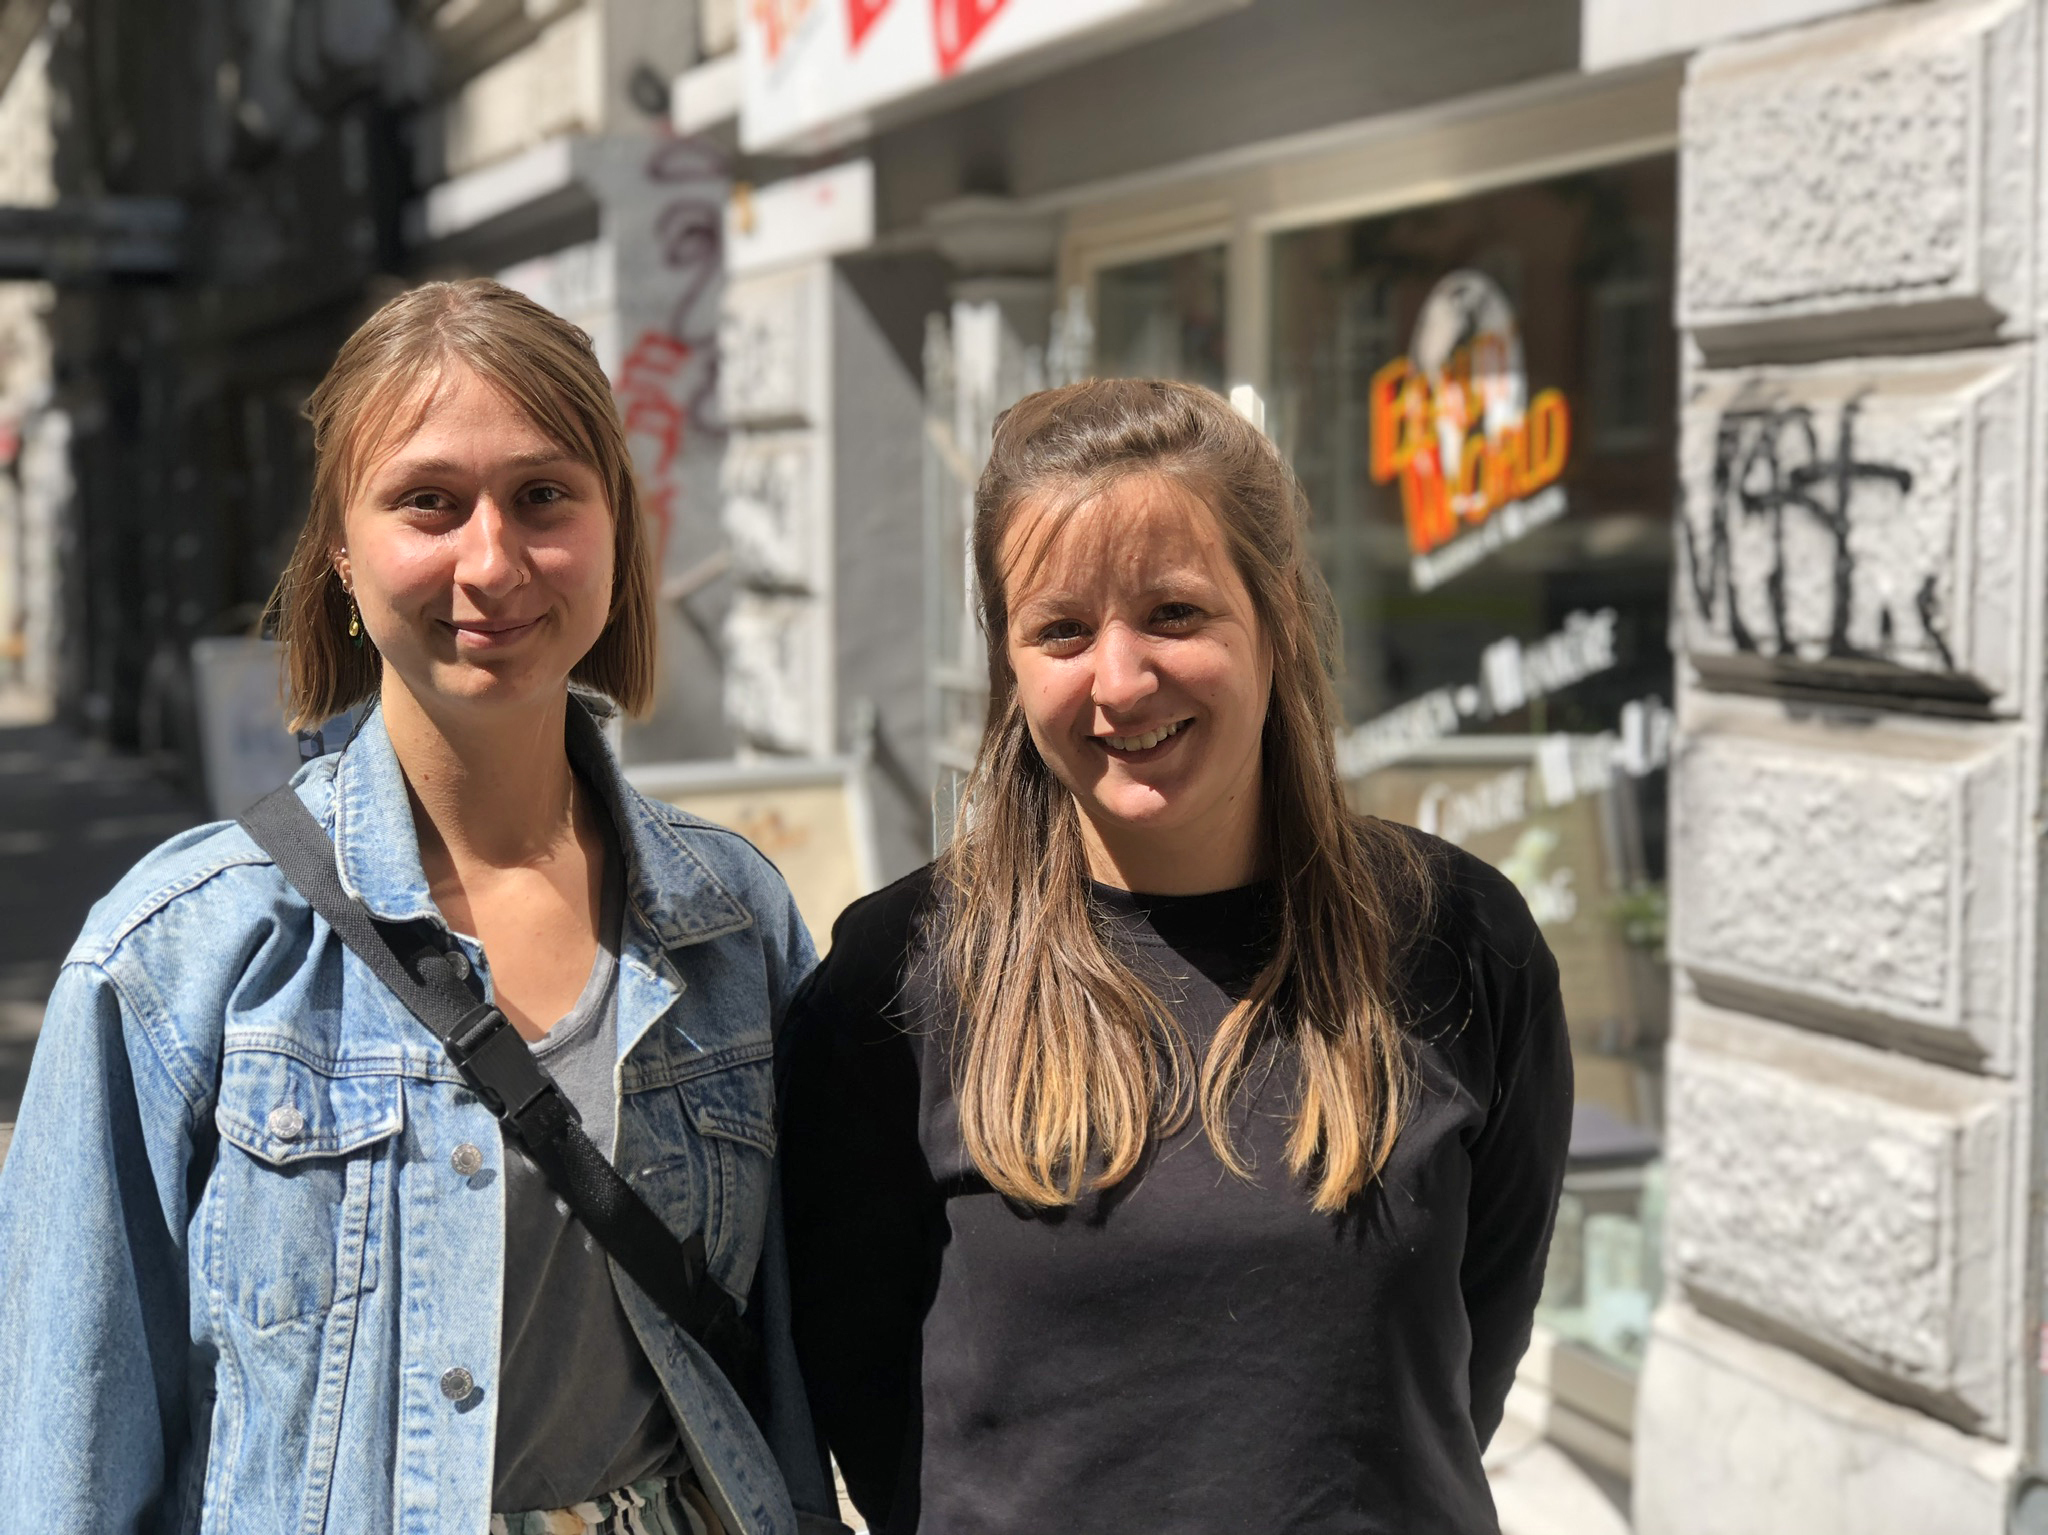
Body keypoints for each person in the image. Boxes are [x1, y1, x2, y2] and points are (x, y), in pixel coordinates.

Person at [0, 279, 840, 1535]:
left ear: (616, 529)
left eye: (545, 496)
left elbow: (785, 1380)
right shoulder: (175, 955)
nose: (490, 561)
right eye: (428, 503)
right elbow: (63, 1461)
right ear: (342, 549)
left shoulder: (731, 922)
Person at [778, 378, 1573, 1535]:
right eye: (1060, 629)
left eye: (1174, 613)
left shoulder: (1455, 939)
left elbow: (1458, 1367)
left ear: (1277, 615)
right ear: (1009, 665)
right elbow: (858, 1388)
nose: (1119, 678)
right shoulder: (899, 976)